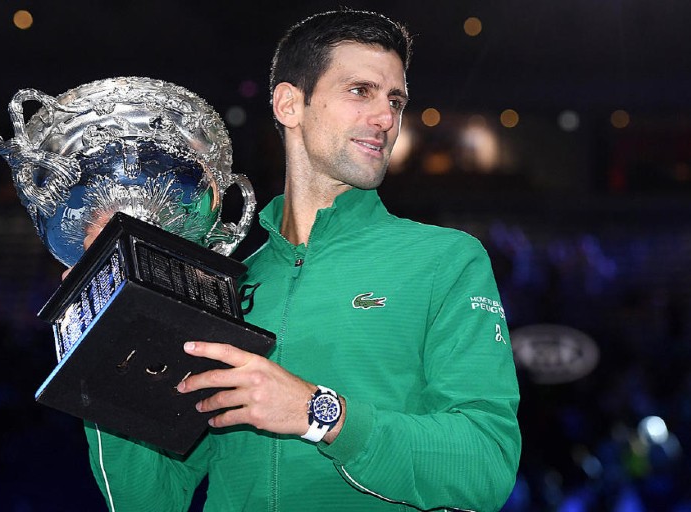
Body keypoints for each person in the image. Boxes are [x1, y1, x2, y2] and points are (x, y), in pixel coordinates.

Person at [83, 9, 521, 512]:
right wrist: (106, 329)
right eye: (360, 91)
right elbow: (150, 501)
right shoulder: (221, 286)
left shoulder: (445, 260)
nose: (386, 119)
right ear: (289, 104)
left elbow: (486, 464)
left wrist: (320, 413)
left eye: (395, 100)